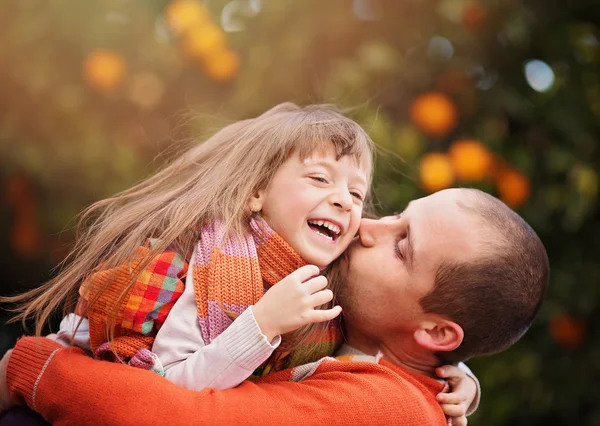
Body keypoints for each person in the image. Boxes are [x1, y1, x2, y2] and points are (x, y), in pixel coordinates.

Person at [0, 188, 549, 426]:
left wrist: (33, 367)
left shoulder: (390, 411)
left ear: (434, 332)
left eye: (403, 246)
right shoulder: (376, 357)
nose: (367, 228)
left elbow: (172, 419)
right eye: (397, 215)